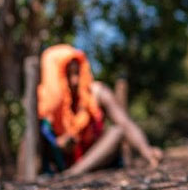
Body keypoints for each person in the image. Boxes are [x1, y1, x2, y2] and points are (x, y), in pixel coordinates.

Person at [36, 44, 162, 176]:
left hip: (95, 160)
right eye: (68, 75)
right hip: (60, 161)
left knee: (117, 131)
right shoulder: (45, 102)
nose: (75, 81)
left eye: (77, 73)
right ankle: (69, 173)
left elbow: (125, 123)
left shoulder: (96, 93)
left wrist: (147, 151)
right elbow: (44, 137)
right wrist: (60, 143)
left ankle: (73, 173)